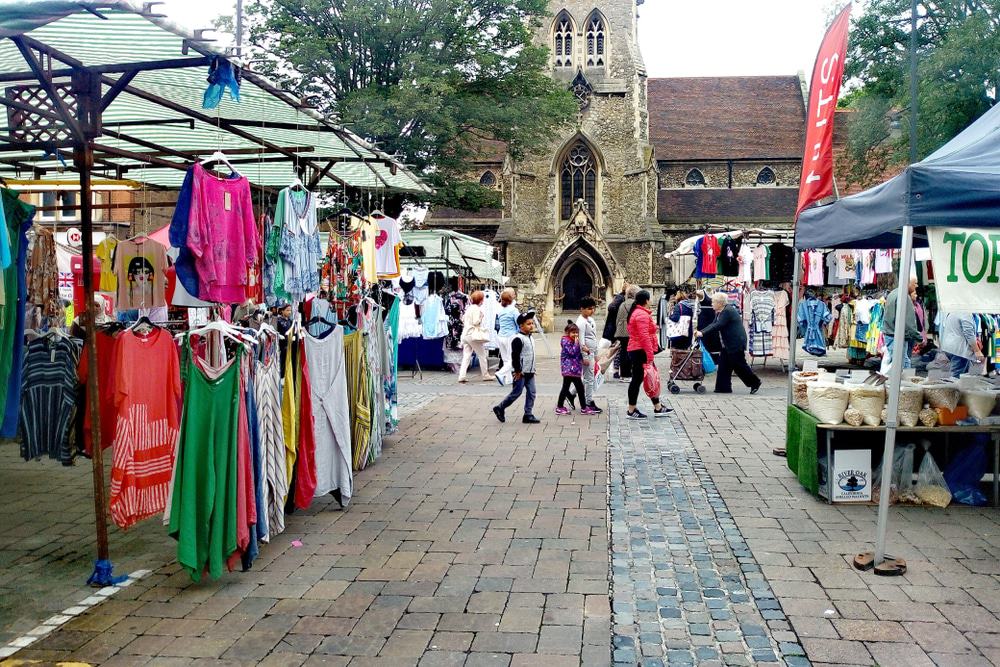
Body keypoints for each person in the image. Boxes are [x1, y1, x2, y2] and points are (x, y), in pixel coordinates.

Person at [696, 292, 761, 394]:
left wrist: (702, 333)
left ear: (719, 303)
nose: (711, 304)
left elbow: (718, 325)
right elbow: (713, 324)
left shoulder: (727, 311)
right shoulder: (720, 312)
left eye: (713, 302)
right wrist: (701, 331)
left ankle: (755, 382)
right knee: (724, 365)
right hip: (727, 344)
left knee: (739, 365)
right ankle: (723, 388)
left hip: (735, 342)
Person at [626, 290, 673, 419]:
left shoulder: (638, 312)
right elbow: (643, 336)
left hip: (638, 350)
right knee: (637, 380)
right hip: (640, 351)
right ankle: (631, 409)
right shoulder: (641, 314)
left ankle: (657, 407)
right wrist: (650, 354)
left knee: (649, 378)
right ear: (646, 300)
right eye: (650, 298)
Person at [494, 313, 540, 424]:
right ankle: (500, 407)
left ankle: (528, 414)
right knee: (516, 392)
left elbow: (530, 355)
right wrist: (518, 370)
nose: (531, 326)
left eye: (532, 323)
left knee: (532, 392)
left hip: (530, 371)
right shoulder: (518, 339)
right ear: (521, 326)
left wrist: (533, 368)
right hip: (520, 372)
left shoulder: (530, 338)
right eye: (528, 324)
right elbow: (515, 356)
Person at [556, 322, 595, 415]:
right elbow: (572, 352)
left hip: (575, 369)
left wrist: (585, 355)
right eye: (573, 333)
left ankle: (583, 408)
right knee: (569, 388)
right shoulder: (565, 341)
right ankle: (560, 407)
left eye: (576, 332)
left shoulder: (573, 341)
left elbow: (577, 354)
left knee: (577, 388)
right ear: (567, 333)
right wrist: (577, 344)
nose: (575, 335)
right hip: (569, 369)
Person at [882, 277, 919, 370]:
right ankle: (901, 383)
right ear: (908, 283)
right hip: (897, 335)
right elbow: (909, 322)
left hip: (890, 333)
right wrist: (918, 337)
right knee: (901, 364)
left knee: (901, 361)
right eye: (915, 283)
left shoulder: (893, 293)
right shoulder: (904, 296)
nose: (917, 286)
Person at [457, 290, 494, 383]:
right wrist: (481, 317)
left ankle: (462, 375)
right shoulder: (477, 309)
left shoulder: (469, 308)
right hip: (473, 335)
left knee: (466, 355)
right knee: (482, 355)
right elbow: (475, 322)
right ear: (481, 300)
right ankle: (485, 374)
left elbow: (463, 319)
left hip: (465, 334)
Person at [575, 296, 602, 413]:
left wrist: (596, 353)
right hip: (586, 354)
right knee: (589, 379)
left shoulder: (590, 320)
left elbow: (594, 337)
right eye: (589, 309)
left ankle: (571, 394)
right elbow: (581, 340)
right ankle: (588, 401)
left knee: (588, 377)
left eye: (593, 308)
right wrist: (585, 356)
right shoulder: (580, 322)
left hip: (591, 352)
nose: (592, 311)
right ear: (582, 309)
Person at [939, 311, 984, 377]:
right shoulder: (965, 313)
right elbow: (969, 333)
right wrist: (977, 350)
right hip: (959, 349)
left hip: (950, 347)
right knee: (956, 378)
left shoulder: (954, 311)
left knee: (956, 375)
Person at [615, 284, 640, 381]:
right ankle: (630, 374)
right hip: (631, 332)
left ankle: (623, 374)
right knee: (631, 352)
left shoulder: (623, 304)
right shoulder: (636, 304)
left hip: (622, 332)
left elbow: (618, 319)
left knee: (623, 352)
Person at [495, 288, 520, 372]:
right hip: (510, 336)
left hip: (500, 336)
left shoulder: (501, 311)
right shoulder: (514, 310)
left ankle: (508, 378)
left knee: (505, 359)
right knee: (511, 359)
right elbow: (518, 323)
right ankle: (500, 373)